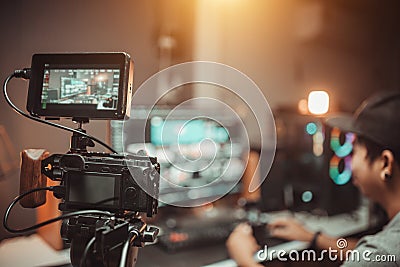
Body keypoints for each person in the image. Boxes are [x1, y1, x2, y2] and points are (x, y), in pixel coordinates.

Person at [226, 91, 400, 266]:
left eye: (354, 151)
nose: (349, 163)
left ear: (385, 164)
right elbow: (372, 256)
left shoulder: (388, 248)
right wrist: (313, 237)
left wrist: (245, 260)